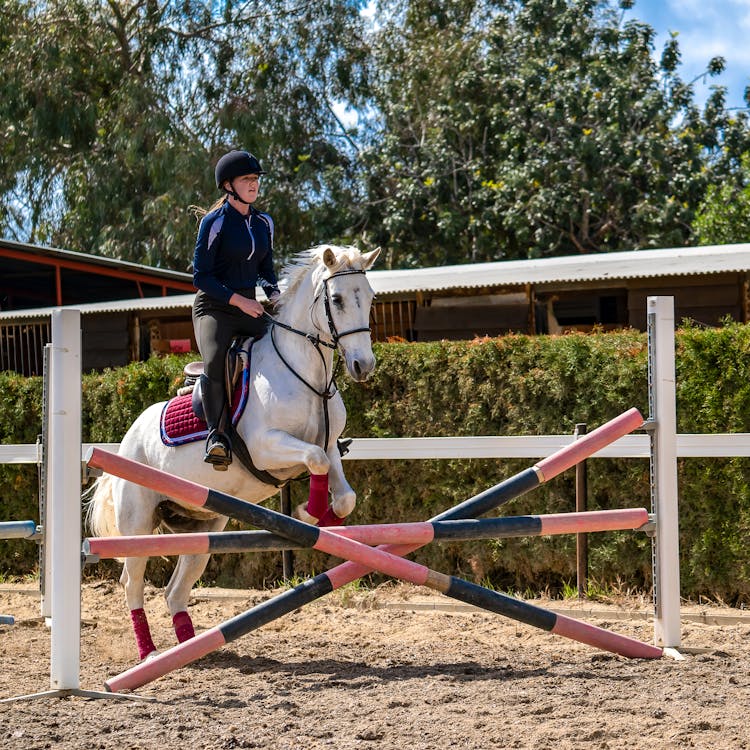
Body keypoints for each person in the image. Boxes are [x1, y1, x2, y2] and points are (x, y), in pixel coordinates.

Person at [192, 150, 280, 469]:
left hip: (249, 306)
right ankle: (217, 436)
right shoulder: (214, 223)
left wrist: (275, 293)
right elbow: (200, 276)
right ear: (228, 185)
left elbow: (266, 269)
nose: (254, 184)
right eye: (247, 179)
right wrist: (240, 300)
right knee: (215, 361)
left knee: (286, 345)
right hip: (214, 308)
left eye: (256, 179)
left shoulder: (263, 222)